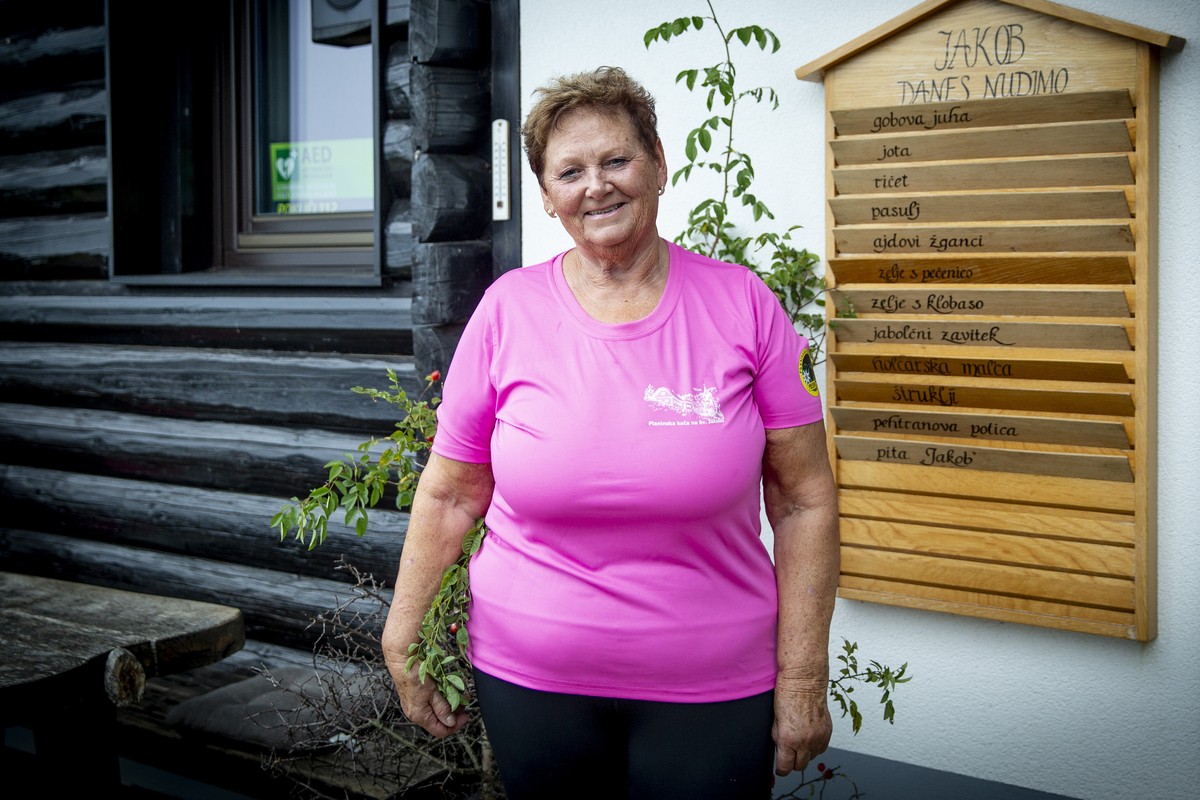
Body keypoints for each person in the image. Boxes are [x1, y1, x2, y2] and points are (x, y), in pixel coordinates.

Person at [382, 65, 840, 800]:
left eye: (616, 160)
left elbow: (803, 501)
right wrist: (402, 633)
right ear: (547, 195)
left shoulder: (746, 306)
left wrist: (804, 675)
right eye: (570, 172)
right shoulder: (505, 312)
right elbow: (451, 493)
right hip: (532, 682)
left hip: (714, 685)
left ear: (658, 162)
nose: (596, 186)